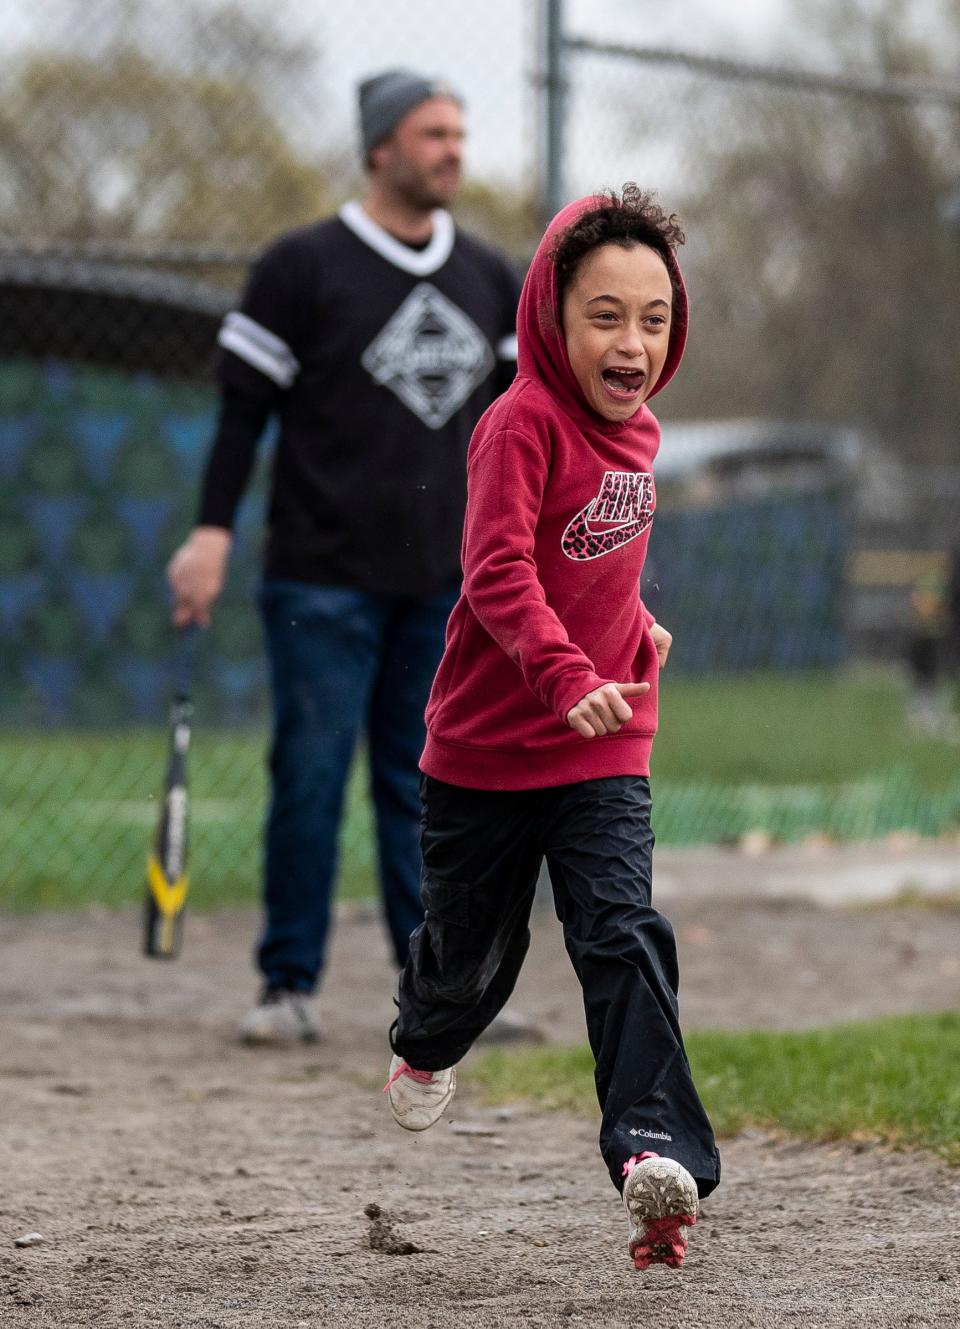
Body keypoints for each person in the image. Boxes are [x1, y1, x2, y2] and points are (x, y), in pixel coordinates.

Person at [383, 186, 721, 1271]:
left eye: (654, 318)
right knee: (470, 968)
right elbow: (497, 572)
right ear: (551, 318)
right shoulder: (517, 424)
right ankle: (424, 1038)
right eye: (606, 315)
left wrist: (637, 629)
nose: (633, 341)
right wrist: (559, 666)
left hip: (603, 740)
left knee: (620, 935)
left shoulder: (643, 432)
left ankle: (653, 1159)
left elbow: (599, 562)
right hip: (487, 750)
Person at [167, 70, 522, 1043]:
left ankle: (441, 996)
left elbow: (523, 433)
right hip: (319, 579)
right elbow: (243, 415)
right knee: (313, 779)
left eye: (459, 130)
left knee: (432, 790)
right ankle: (288, 985)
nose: (453, 148)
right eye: (431, 132)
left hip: (446, 589)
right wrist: (210, 534)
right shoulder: (302, 266)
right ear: (380, 149)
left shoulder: (490, 277)